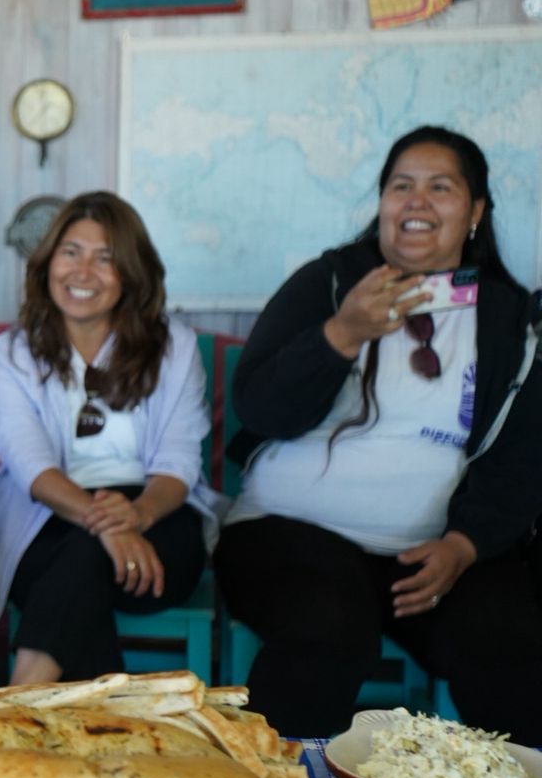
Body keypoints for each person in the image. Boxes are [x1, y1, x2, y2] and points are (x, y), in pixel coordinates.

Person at [215, 125, 542, 743]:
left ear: (474, 212)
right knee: (330, 629)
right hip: (288, 536)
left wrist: (465, 546)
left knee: (507, 638)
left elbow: (522, 454)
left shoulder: (510, 320)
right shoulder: (331, 284)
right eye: (401, 186)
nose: (416, 202)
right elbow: (259, 408)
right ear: (383, 204)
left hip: (431, 553)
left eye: (440, 187)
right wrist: (340, 334)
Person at [0, 192, 223, 685]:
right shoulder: (10, 354)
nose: (84, 272)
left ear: (131, 273)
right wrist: (106, 525)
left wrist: (136, 515)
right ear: (47, 262)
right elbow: (28, 463)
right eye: (71, 252)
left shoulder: (174, 348)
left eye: (105, 258)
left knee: (80, 561)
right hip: (46, 514)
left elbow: (179, 460)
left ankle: (16, 704)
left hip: (155, 518)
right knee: (81, 558)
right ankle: (100, 732)